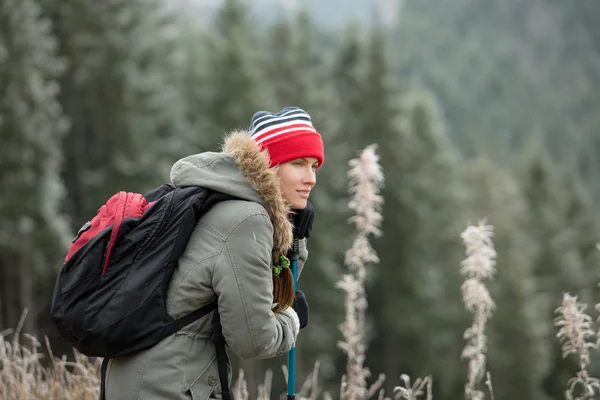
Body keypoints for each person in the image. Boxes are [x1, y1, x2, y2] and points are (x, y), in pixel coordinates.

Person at [104, 106, 324, 400]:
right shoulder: (247, 219)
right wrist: (292, 319)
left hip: (140, 376)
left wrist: (294, 240)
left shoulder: (218, 199)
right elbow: (253, 339)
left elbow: (254, 297)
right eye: (298, 163)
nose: (310, 178)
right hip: (166, 384)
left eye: (314, 166)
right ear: (269, 164)